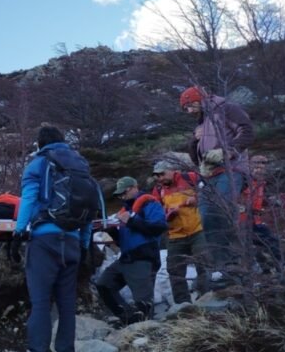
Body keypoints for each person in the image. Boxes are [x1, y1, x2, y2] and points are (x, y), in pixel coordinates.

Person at [12, 126, 93, 352]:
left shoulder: (38, 165)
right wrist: (85, 243)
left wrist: (18, 232)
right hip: (72, 241)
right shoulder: (80, 165)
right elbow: (91, 206)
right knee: (67, 304)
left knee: (41, 301)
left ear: (40, 144)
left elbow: (28, 199)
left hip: (44, 241)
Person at [181, 86, 254, 286]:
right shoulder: (203, 122)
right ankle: (224, 269)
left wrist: (228, 151)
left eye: (189, 105)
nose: (188, 111)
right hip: (209, 175)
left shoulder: (227, 109)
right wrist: (193, 142)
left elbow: (247, 131)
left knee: (221, 211)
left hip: (231, 170)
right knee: (206, 216)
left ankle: (238, 265)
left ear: (198, 99)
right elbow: (196, 157)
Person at [95, 176, 167, 324]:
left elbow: (159, 227)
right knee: (104, 284)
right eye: (120, 194)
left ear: (135, 187)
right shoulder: (124, 211)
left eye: (125, 192)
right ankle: (129, 319)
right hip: (126, 257)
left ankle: (145, 329)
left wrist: (132, 221)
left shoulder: (150, 203)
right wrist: (110, 230)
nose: (122, 196)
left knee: (143, 301)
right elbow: (122, 239)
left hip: (143, 258)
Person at [150, 160, 209, 304]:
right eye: (156, 176)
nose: (160, 178)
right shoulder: (158, 189)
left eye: (162, 174)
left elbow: (209, 192)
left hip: (197, 230)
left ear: (172, 170)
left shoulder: (190, 177)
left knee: (204, 264)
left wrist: (196, 199)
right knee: (175, 270)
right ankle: (182, 305)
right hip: (175, 235)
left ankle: (207, 298)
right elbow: (154, 211)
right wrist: (166, 214)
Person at [241, 155, 285, 273]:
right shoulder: (242, 181)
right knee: (260, 243)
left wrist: (270, 201)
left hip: (254, 221)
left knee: (270, 240)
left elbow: (259, 200)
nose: (259, 168)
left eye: (263, 165)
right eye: (256, 165)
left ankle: (275, 267)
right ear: (249, 165)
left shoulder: (261, 183)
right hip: (242, 221)